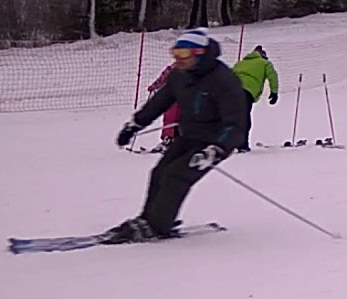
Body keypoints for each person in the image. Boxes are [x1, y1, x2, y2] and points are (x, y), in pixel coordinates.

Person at [107, 28, 247, 243]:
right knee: (159, 172)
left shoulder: (224, 81)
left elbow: (236, 124)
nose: (177, 59)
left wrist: (215, 150)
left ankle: (158, 225)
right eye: (175, 53)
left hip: (213, 142)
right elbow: (159, 102)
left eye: (183, 54)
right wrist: (135, 125)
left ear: (199, 53)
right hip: (188, 136)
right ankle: (148, 219)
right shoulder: (179, 76)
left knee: (176, 176)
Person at [231, 45, 280, 152]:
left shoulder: (240, 63)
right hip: (246, 91)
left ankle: (230, 143)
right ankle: (242, 145)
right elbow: (273, 76)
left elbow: (229, 76)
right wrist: (274, 92)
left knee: (232, 118)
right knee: (244, 118)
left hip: (232, 91)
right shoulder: (264, 63)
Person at [145, 62, 181, 153]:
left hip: (186, 99)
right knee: (169, 117)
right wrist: (155, 85)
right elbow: (164, 76)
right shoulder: (174, 67)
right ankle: (167, 139)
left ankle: (179, 141)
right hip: (172, 98)